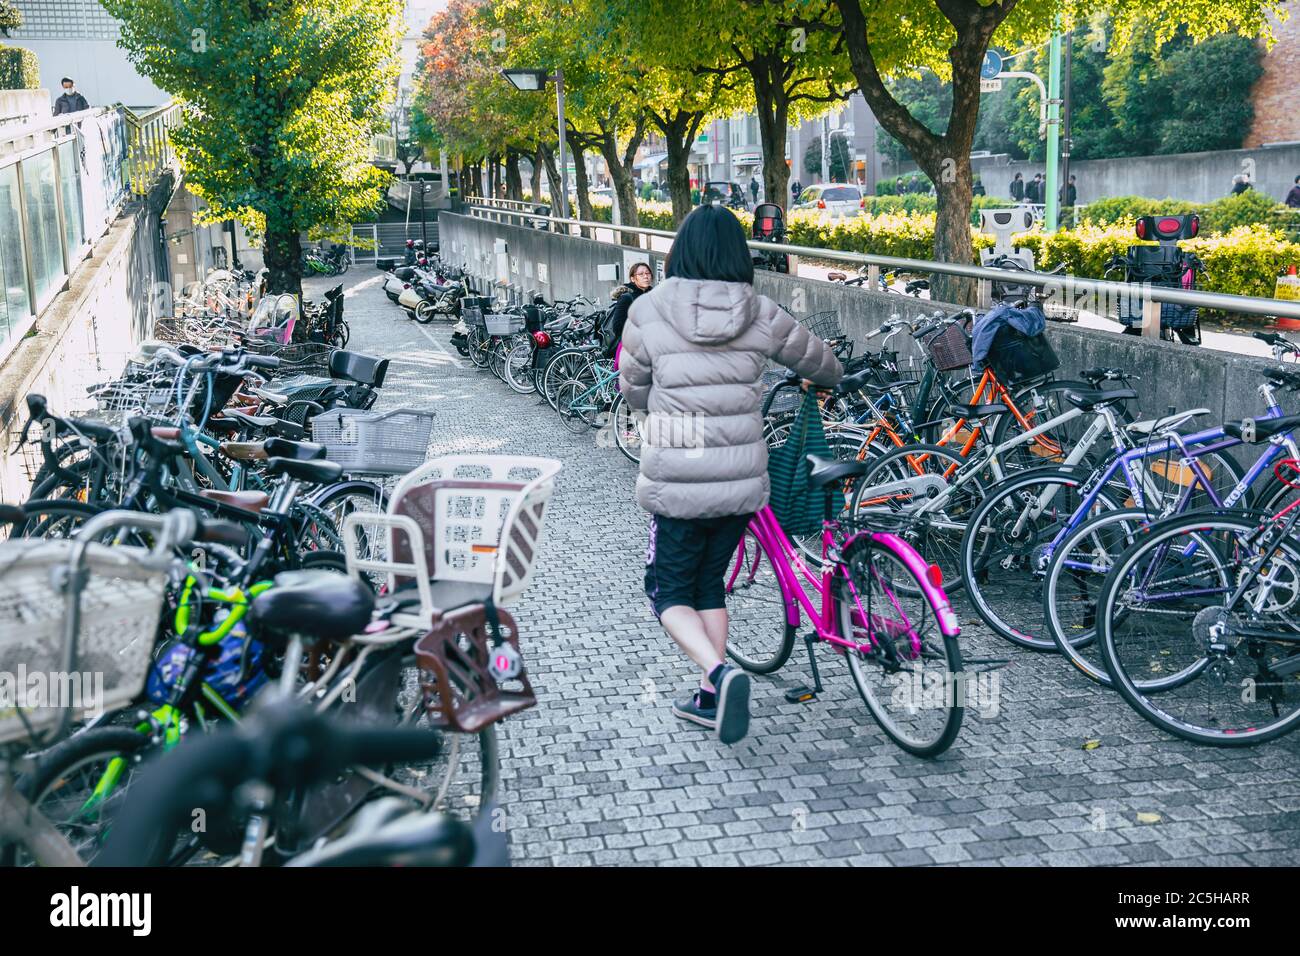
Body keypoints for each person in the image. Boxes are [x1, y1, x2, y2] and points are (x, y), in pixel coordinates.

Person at [618, 205, 843, 745]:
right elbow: (823, 363)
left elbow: (632, 387)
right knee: (710, 584)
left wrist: (663, 410)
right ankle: (711, 696)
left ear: (681, 253)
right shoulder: (760, 311)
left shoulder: (648, 310)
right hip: (739, 477)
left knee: (667, 590)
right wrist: (828, 378)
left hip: (678, 471)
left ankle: (720, 673)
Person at [606, 261, 653, 360]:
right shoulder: (627, 298)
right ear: (633, 278)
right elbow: (618, 327)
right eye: (641, 274)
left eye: (647, 273)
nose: (645, 276)